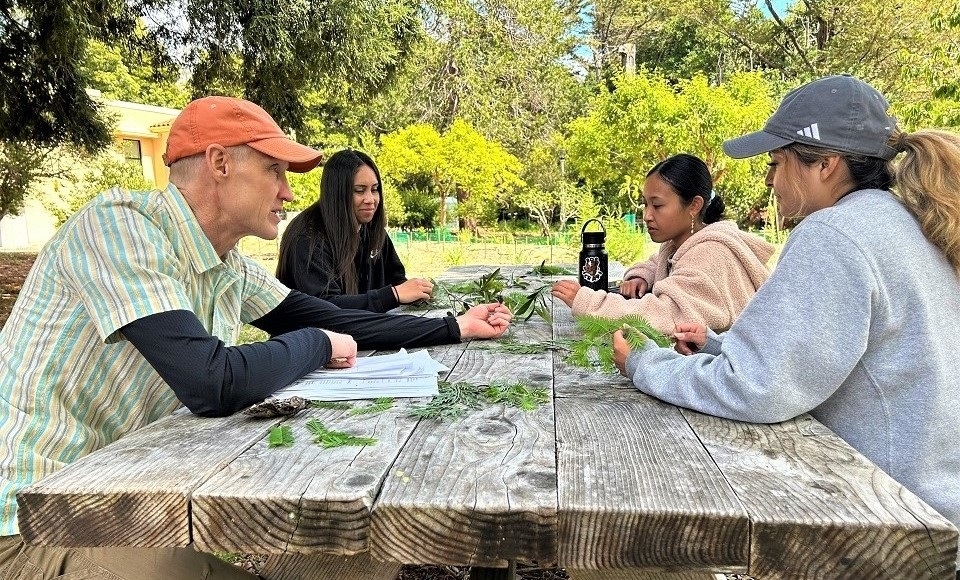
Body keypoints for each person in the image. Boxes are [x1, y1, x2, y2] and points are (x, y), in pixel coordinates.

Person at [0, 96, 512, 579]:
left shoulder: (226, 266)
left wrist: (454, 327)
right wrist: (314, 342)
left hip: (117, 504)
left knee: (357, 556)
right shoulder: (119, 228)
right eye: (274, 171)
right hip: (34, 526)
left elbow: (338, 319)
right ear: (219, 163)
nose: (288, 192)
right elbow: (213, 382)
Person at [613, 75, 960, 573]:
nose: (770, 180)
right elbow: (837, 351)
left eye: (777, 163)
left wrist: (643, 364)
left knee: (647, 554)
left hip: (892, 528)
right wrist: (715, 344)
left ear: (825, 163)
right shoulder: (903, 223)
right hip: (931, 506)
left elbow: (760, 389)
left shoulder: (836, 233)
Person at [552, 153, 774, 334]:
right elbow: (663, 262)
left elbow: (665, 317)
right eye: (645, 204)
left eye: (657, 206)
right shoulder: (681, 243)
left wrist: (589, 303)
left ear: (694, 206)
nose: (647, 215)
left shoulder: (710, 253)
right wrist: (641, 275)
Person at [276, 149, 432, 312]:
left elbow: (397, 280)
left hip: (365, 332)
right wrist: (392, 295)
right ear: (337, 192)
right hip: (315, 336)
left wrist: (418, 291)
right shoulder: (307, 238)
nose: (370, 200)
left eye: (374, 189)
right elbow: (326, 309)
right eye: (359, 190)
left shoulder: (373, 231)